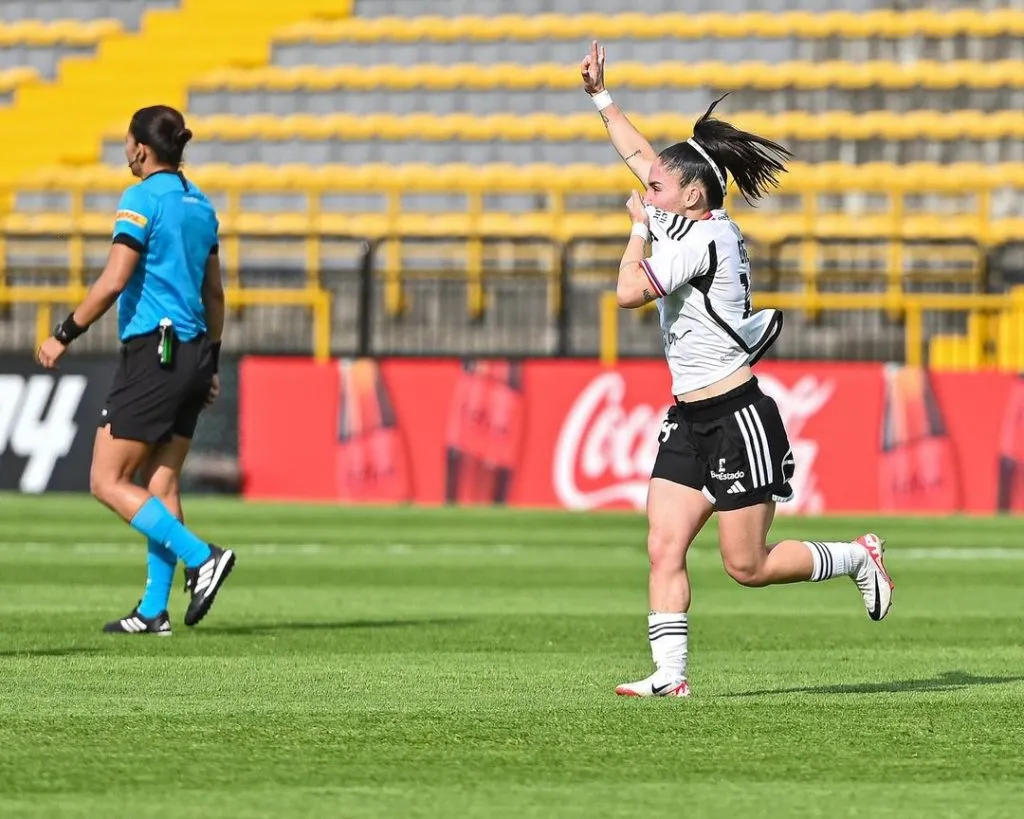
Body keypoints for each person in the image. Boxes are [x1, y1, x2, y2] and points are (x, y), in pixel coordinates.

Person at [579, 41, 894, 698]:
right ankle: (671, 676)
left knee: (746, 565)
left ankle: (855, 556)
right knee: (663, 545)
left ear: (691, 194)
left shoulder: (702, 240)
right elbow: (642, 156)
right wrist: (601, 98)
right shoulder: (687, 212)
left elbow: (629, 291)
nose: (646, 192)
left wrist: (635, 229)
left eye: (657, 190)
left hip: (736, 417)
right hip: (689, 417)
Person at [36, 105, 235, 636]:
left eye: (127, 143)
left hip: (157, 352)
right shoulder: (201, 204)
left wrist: (63, 334)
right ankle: (153, 610)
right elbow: (215, 295)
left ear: (140, 148)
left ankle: (202, 557)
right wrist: (211, 362)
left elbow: (114, 280)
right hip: (194, 353)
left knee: (106, 480)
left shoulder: (142, 198)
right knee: (161, 484)